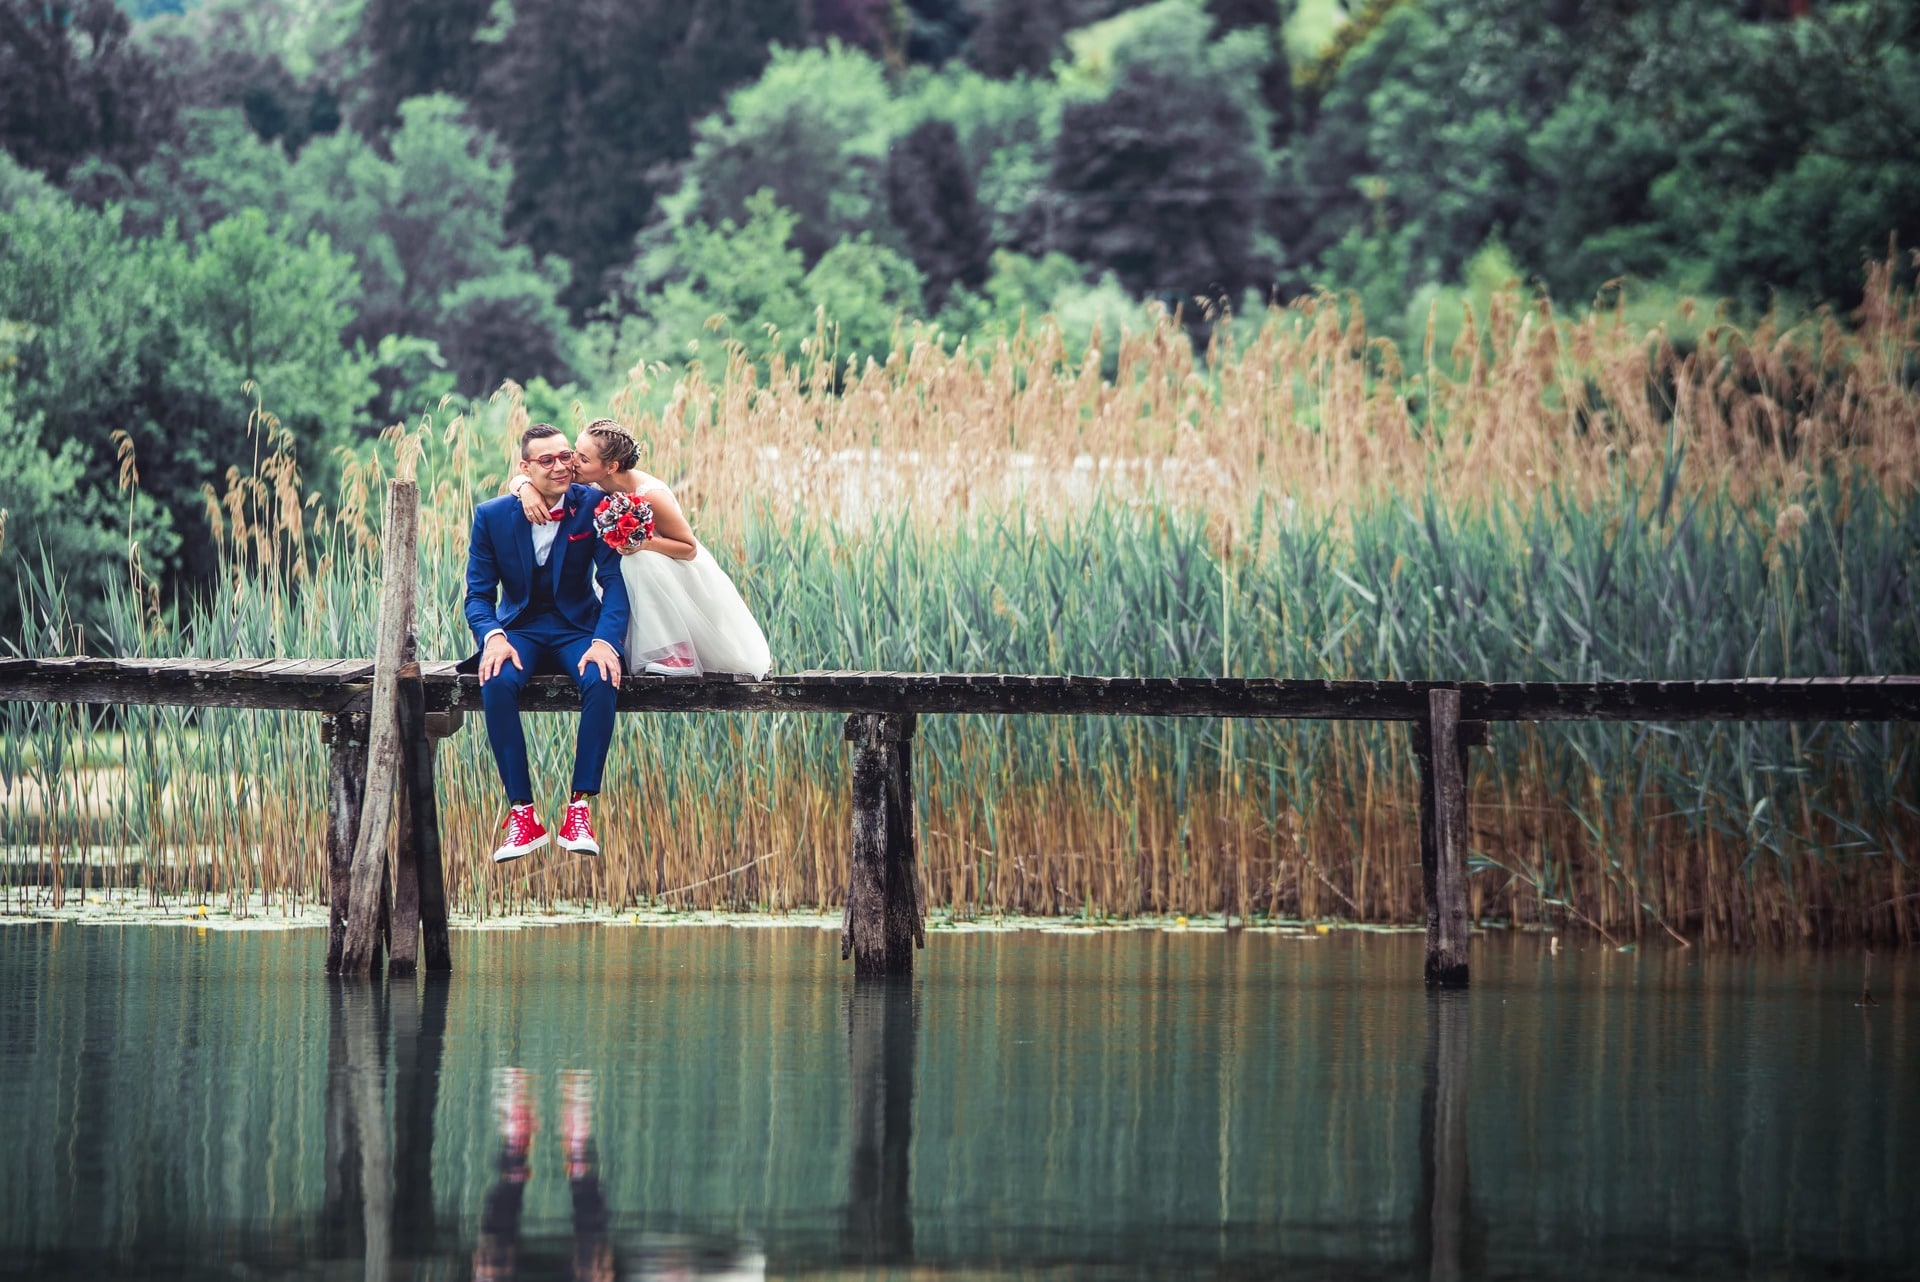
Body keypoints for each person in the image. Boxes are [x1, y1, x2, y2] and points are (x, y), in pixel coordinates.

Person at [461, 424, 630, 863]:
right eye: (546, 460)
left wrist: (606, 641)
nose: (559, 466)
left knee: (601, 677)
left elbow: (613, 582)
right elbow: (478, 595)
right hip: (520, 626)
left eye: (564, 457)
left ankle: (580, 809)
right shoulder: (492, 515)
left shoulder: (595, 504)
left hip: (578, 627)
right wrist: (493, 636)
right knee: (494, 679)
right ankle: (523, 814)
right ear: (524, 468)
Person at [508, 419, 771, 680]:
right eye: (576, 450)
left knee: (637, 560)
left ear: (610, 467)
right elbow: (524, 475)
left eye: (583, 458)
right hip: (638, 571)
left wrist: (642, 542)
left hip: (675, 572)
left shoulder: (651, 495)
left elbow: (689, 548)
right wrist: (524, 487)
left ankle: (674, 651)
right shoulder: (595, 482)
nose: (573, 461)